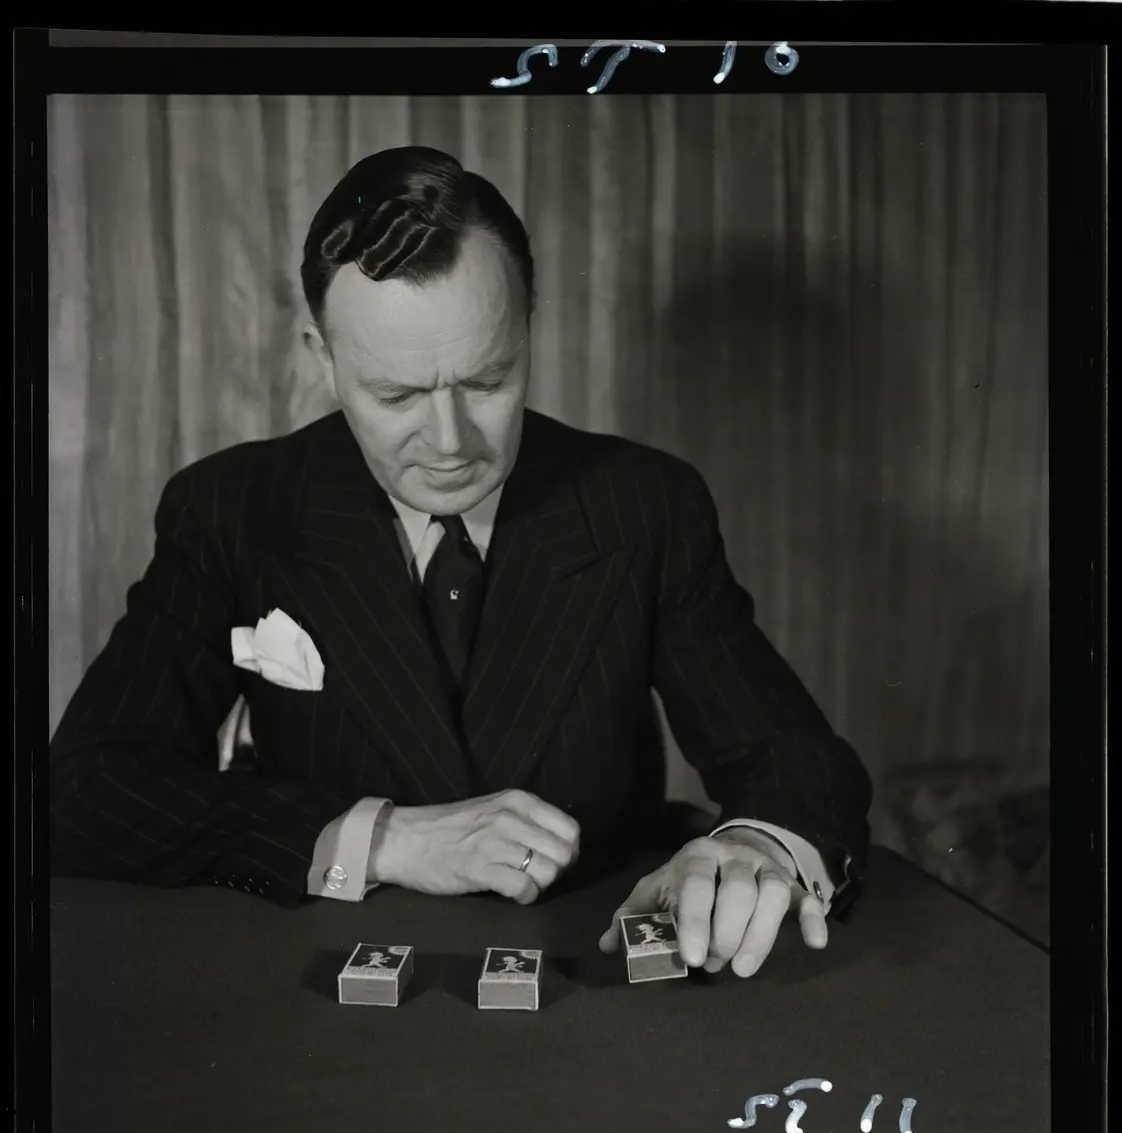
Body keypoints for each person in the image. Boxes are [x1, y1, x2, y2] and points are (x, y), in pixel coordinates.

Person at [49, 145, 872, 980]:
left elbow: (793, 760)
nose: (450, 443)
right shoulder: (230, 510)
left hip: (590, 971)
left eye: (487, 381)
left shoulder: (645, 505)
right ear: (322, 356)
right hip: (317, 979)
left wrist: (754, 846)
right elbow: (85, 789)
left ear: (528, 330)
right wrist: (384, 839)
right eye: (397, 396)